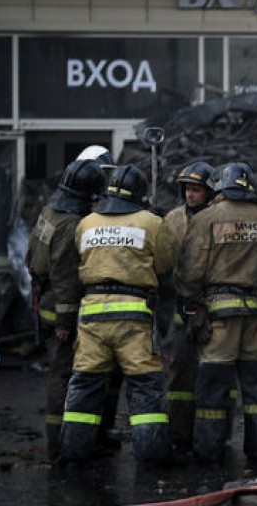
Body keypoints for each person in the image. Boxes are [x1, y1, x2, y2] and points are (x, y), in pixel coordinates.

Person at [59, 165, 177, 462]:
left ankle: (73, 457)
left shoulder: (86, 223)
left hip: (91, 318)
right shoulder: (151, 222)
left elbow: (77, 261)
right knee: (145, 388)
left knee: (84, 387)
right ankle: (153, 459)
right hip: (133, 318)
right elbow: (165, 265)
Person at [175, 162, 257, 463]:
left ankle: (209, 453)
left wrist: (187, 297)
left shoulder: (207, 218)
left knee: (213, 391)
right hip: (255, 316)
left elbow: (191, 270)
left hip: (219, 319)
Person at [26, 159, 105, 459]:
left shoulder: (49, 212)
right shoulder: (71, 223)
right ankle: (59, 445)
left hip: (44, 299)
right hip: (61, 308)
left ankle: (61, 442)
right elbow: (66, 276)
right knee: (63, 375)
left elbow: (29, 255)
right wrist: (65, 319)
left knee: (60, 373)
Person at [159, 161, 216, 453]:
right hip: (183, 307)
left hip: (215, 307)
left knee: (214, 373)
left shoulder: (220, 218)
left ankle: (212, 438)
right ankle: (180, 433)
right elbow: (163, 261)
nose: (190, 196)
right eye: (187, 190)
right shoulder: (173, 219)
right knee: (180, 368)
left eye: (196, 190)